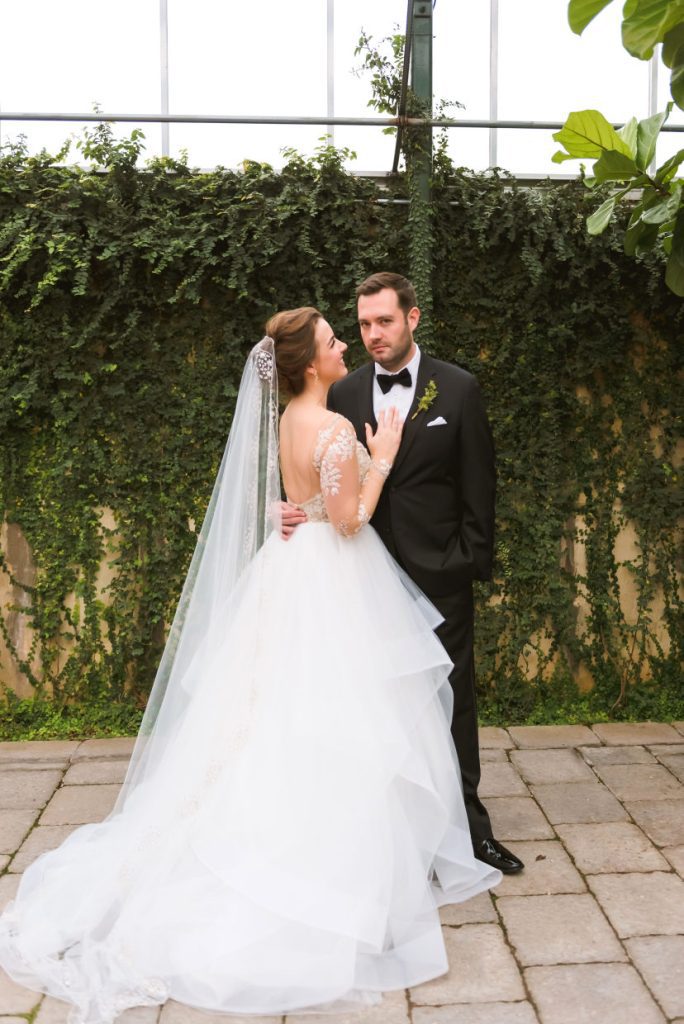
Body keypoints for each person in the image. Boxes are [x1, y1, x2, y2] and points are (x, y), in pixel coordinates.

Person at [0, 307, 500, 1023]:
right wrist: (382, 454)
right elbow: (352, 518)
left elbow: (301, 501)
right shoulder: (330, 427)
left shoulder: (291, 421)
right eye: (333, 339)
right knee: (337, 717)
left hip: (292, 569)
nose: (343, 346)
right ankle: (327, 865)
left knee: (277, 714)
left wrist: (290, 508)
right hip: (334, 577)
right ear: (308, 364)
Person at [289, 272, 523, 876]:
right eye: (363, 324)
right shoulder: (341, 393)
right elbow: (323, 479)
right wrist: (292, 511)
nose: (372, 335)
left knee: (452, 703)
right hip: (360, 579)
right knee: (371, 708)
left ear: (412, 318)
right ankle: (391, 840)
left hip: (440, 574)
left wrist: (468, 561)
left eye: (384, 321)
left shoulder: (459, 389)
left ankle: (471, 833)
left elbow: (480, 485)